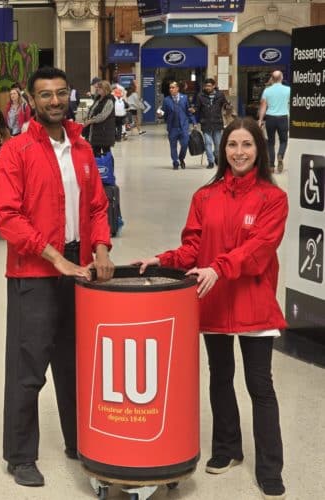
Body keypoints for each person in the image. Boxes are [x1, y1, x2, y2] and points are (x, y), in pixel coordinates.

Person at [133, 117, 287, 500]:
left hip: (252, 301)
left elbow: (259, 250)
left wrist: (219, 267)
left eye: (247, 145)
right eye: (232, 145)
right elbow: (193, 247)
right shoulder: (205, 196)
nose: (238, 152)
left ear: (259, 150)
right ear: (223, 150)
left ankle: (270, 468)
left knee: (259, 385)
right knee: (219, 377)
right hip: (214, 301)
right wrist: (165, 260)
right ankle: (227, 449)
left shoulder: (273, 197)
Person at [0, 66, 114, 487]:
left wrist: (100, 249)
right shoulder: (16, 150)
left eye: (61, 93)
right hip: (35, 270)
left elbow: (98, 207)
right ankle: (21, 455)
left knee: (74, 362)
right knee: (29, 367)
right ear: (31, 100)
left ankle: (76, 441)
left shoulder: (81, 147)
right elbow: (7, 216)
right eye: (45, 95)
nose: (55, 102)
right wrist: (54, 258)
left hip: (80, 267)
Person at [192, 78, 230, 169]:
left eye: (209, 86)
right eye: (206, 86)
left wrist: (228, 106)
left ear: (214, 86)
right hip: (205, 122)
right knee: (208, 143)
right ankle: (211, 162)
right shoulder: (200, 96)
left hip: (217, 122)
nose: (207, 87)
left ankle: (216, 156)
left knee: (218, 145)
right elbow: (197, 107)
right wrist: (194, 110)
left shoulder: (220, 95)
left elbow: (225, 105)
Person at [157, 81, 196, 170]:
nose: (171, 89)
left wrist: (194, 122)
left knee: (185, 144)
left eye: (173, 87)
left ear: (177, 88)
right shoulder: (167, 100)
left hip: (183, 126)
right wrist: (160, 114)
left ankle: (181, 158)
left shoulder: (184, 98)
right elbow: (164, 112)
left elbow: (188, 111)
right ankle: (175, 162)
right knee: (173, 146)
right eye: (170, 88)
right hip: (172, 127)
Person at [257, 71, 290, 174]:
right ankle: (280, 155)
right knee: (283, 140)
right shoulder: (288, 90)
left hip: (270, 118)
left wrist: (260, 120)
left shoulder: (267, 91)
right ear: (281, 77)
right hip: (283, 117)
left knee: (270, 142)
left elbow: (263, 107)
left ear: (272, 78)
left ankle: (271, 166)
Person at [82, 79, 116, 157]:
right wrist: (88, 118)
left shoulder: (109, 100)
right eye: (97, 87)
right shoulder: (98, 98)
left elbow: (103, 115)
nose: (97, 89)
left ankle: (109, 168)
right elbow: (93, 111)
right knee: (95, 154)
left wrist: (90, 121)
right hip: (96, 132)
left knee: (106, 154)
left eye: (100, 87)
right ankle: (97, 169)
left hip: (104, 132)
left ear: (105, 89)